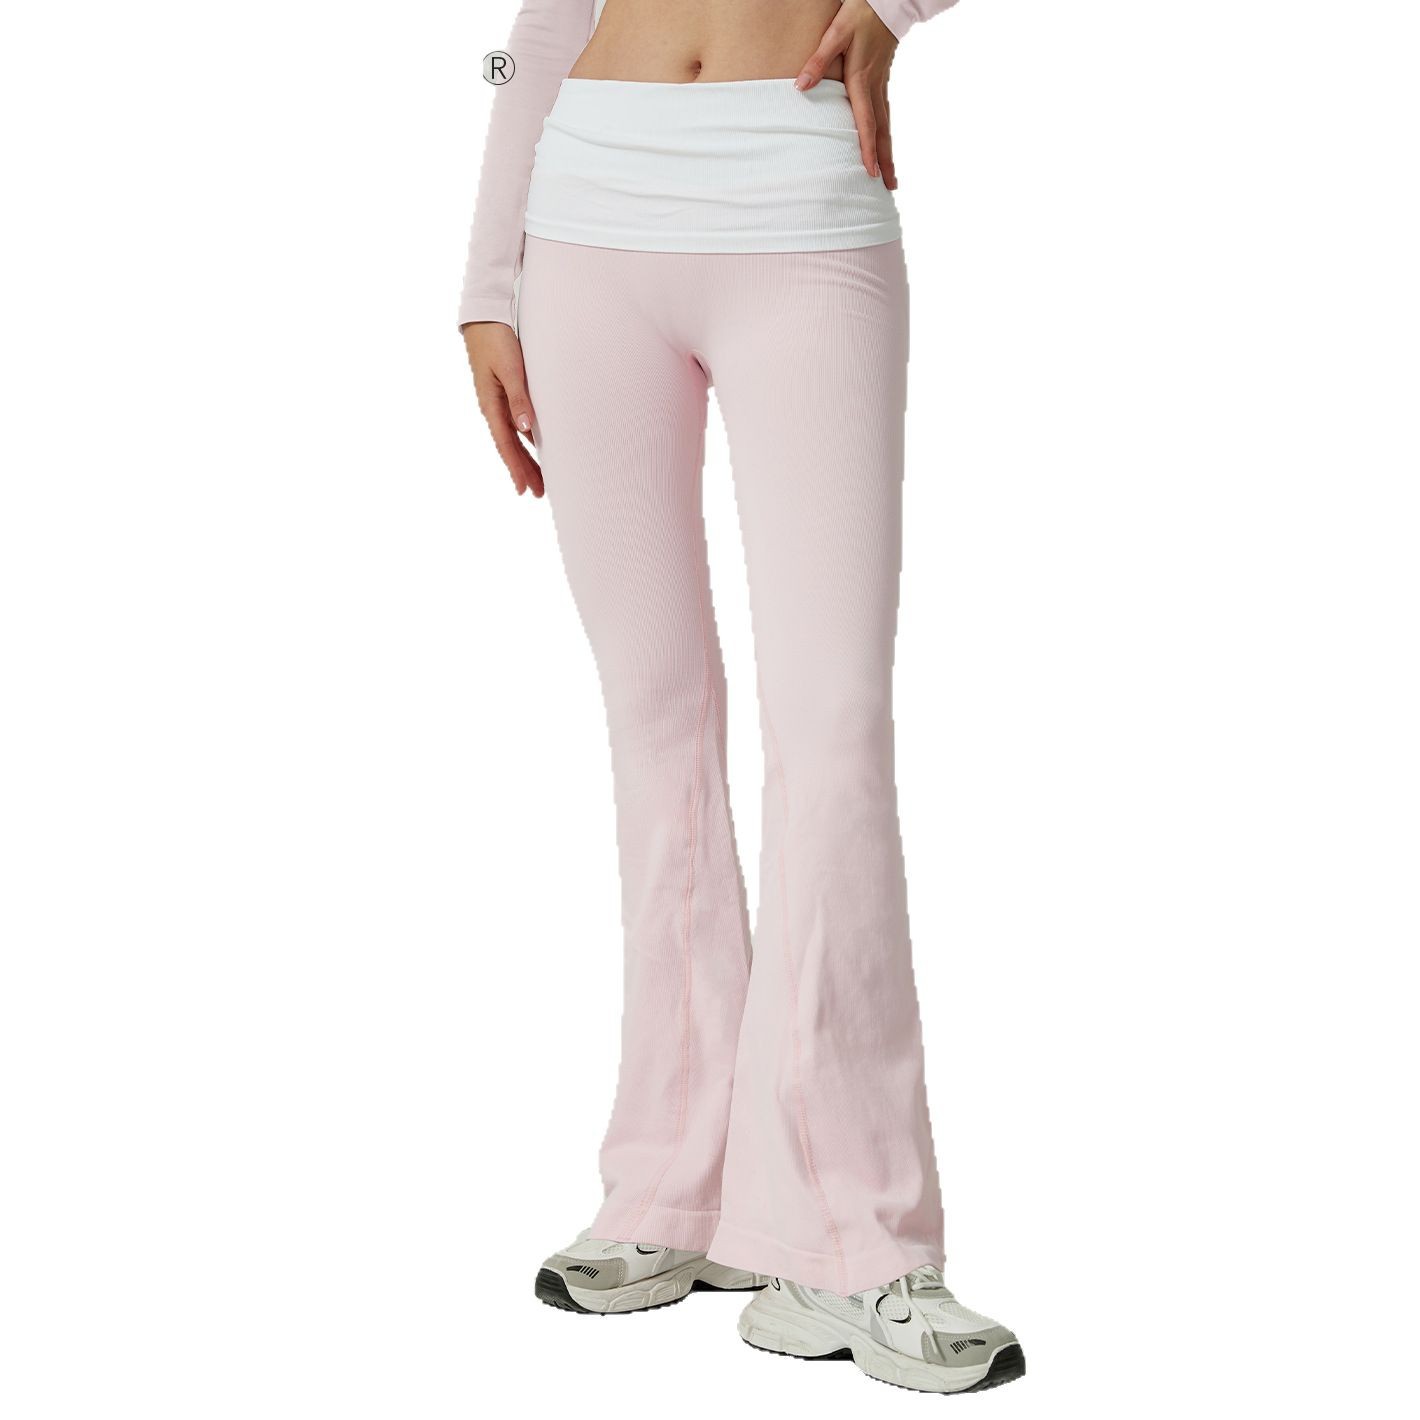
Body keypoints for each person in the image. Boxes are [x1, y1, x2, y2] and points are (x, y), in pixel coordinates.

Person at [459, 0, 1024, 1394]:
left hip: (798, 197)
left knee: (832, 730)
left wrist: (894, 8)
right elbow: (541, 20)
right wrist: (488, 281)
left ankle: (857, 1237)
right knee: (655, 723)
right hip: (587, 214)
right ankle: (677, 1186)